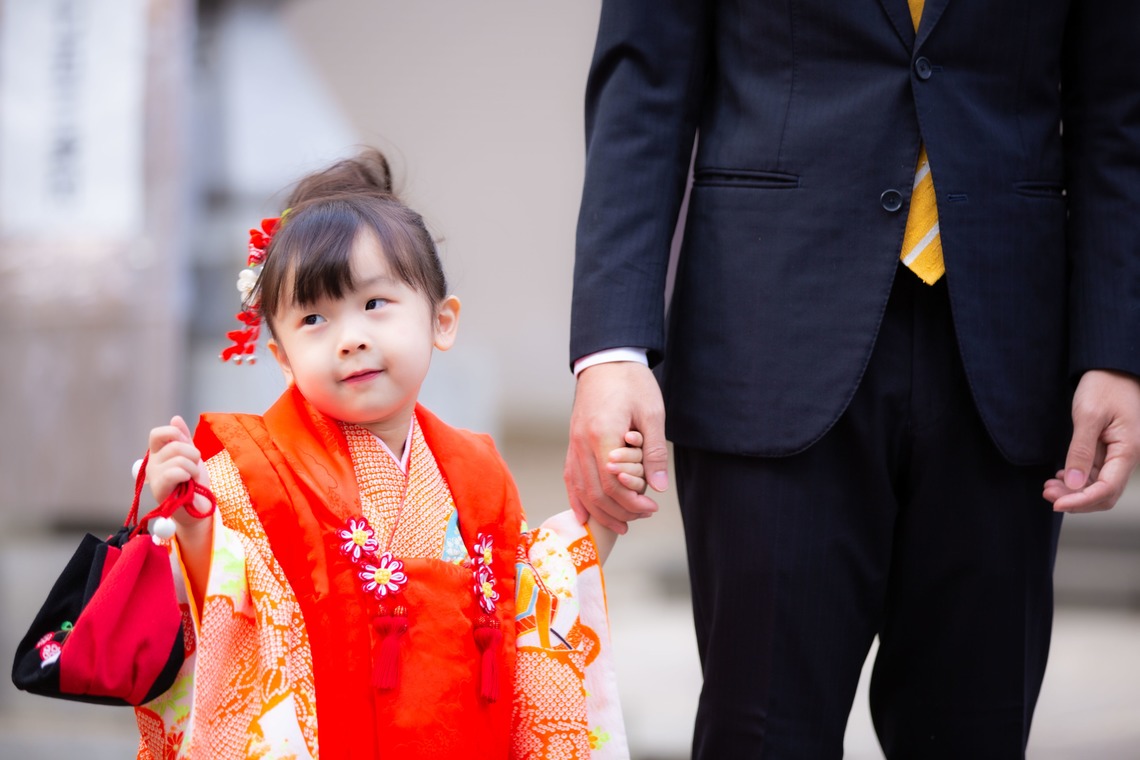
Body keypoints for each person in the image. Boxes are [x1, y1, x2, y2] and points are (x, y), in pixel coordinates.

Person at [565, 2, 1140, 758]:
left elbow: (1120, 113)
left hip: (1009, 349)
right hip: (766, 337)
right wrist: (612, 347)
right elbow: (643, 86)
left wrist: (1116, 348)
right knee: (762, 738)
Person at [140, 149, 641, 759]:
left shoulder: (478, 473)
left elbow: (532, 595)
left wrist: (600, 521)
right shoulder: (249, 473)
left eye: (374, 304)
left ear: (442, 321)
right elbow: (226, 604)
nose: (351, 338)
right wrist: (195, 528)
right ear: (283, 359)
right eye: (314, 318)